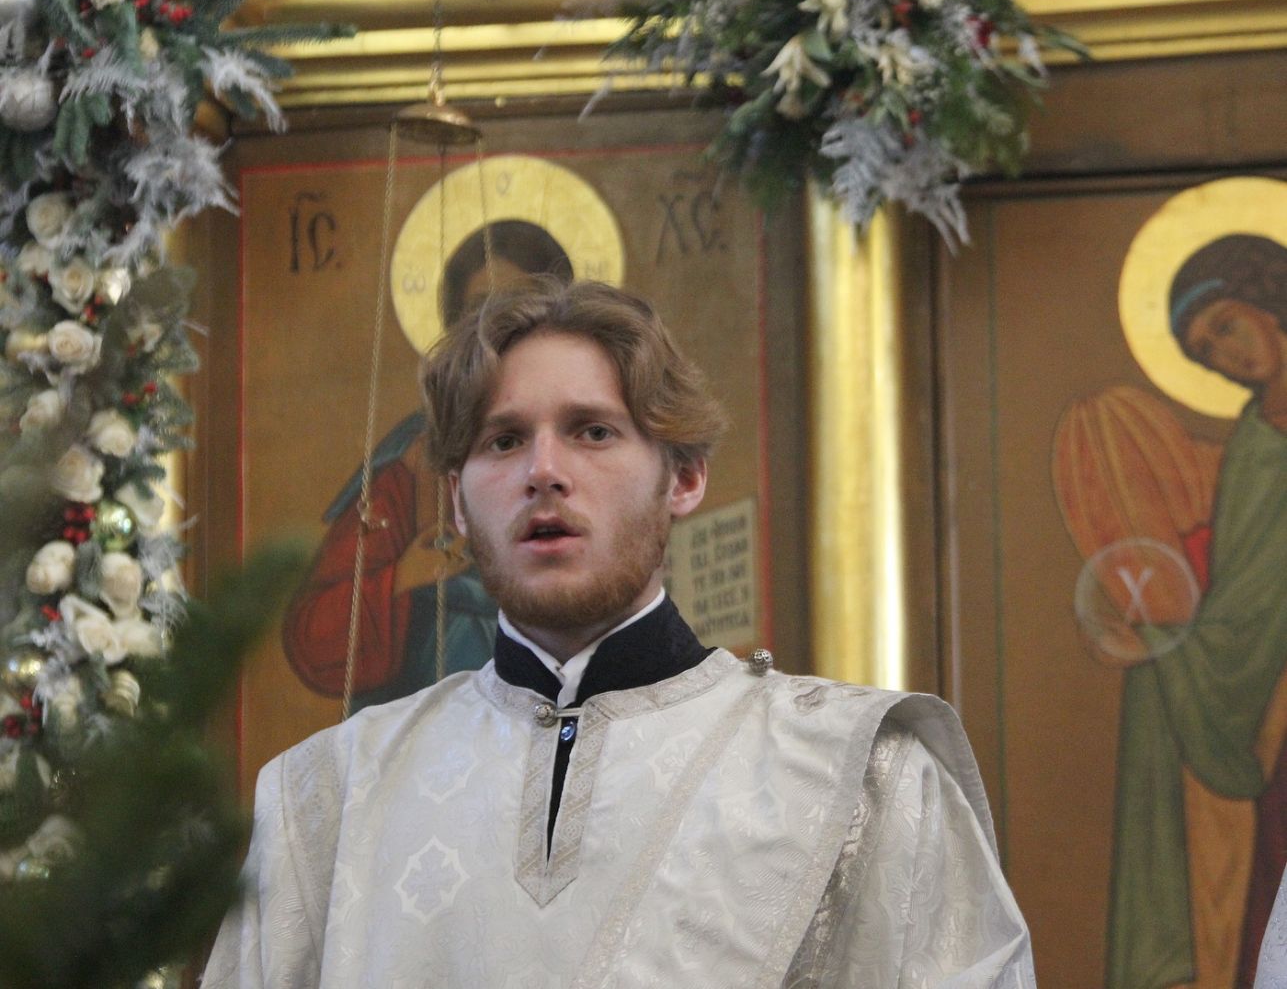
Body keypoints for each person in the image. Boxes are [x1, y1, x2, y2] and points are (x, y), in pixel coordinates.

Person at [204, 280, 1034, 987]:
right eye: (503, 440)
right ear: (456, 501)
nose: (543, 471)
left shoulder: (865, 775)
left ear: (684, 476)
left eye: (592, 431)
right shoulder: (329, 796)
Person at [1061, 234, 1287, 989]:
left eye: (1225, 326)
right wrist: (1166, 644)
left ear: (1267, 300)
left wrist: (1167, 645)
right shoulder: (1254, 445)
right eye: (1205, 352)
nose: (1226, 356)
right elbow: (1250, 597)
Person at [282, 221, 574, 711]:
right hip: (434, 721)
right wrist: (400, 577)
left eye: (520, 307)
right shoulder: (412, 464)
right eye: (478, 312)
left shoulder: (596, 448)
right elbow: (314, 632)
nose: (497, 331)